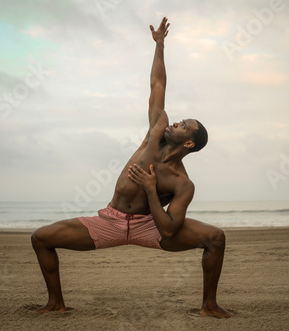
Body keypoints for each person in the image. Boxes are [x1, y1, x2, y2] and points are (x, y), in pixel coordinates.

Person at [31, 17, 233, 318]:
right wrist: (160, 46)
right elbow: (157, 84)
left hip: (151, 227)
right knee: (41, 238)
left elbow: (168, 228)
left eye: (184, 125)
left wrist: (151, 189)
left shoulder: (182, 184)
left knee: (216, 238)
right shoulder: (156, 130)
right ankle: (55, 303)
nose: (176, 122)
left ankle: (209, 306)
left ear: (189, 143)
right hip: (111, 220)